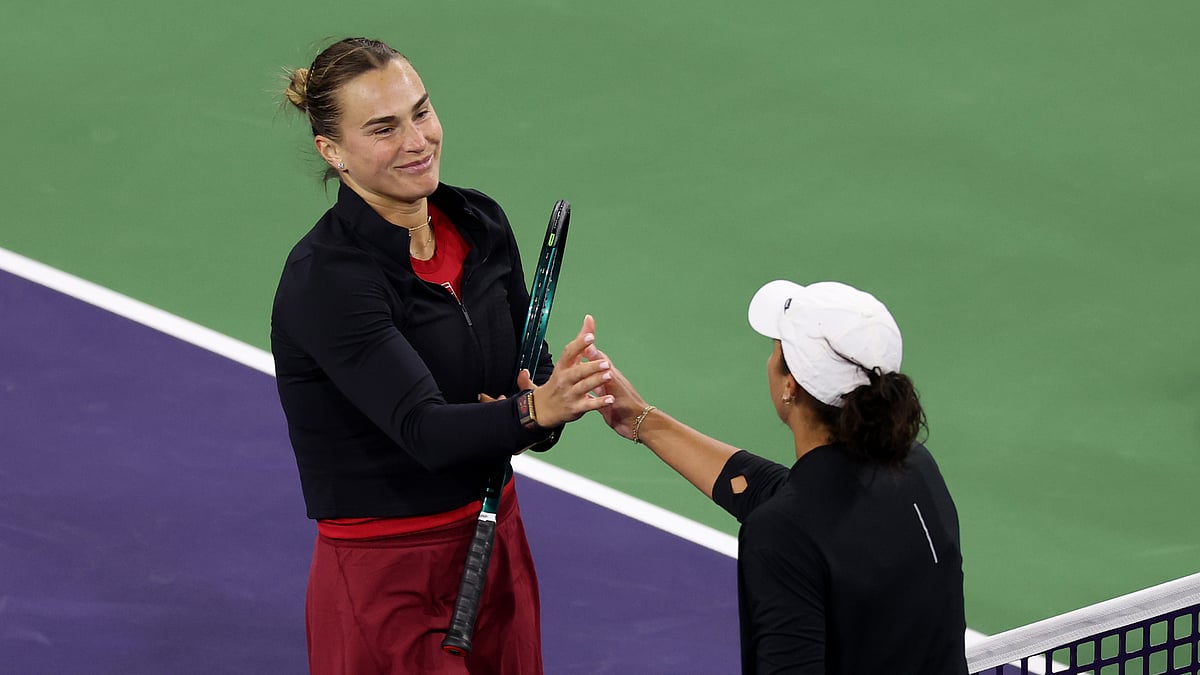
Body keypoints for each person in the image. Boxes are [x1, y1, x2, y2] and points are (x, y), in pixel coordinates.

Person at [270, 37, 613, 675]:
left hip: (494, 542)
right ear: (332, 151)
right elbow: (426, 431)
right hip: (388, 572)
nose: (416, 140)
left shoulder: (479, 223)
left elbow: (517, 414)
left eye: (421, 113)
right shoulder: (329, 278)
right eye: (383, 128)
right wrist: (533, 410)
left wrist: (546, 400)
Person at [595, 280, 968, 674]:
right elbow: (788, 497)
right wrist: (642, 419)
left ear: (790, 385)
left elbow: (794, 518)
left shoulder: (783, 533)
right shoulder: (914, 466)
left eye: (775, 351)